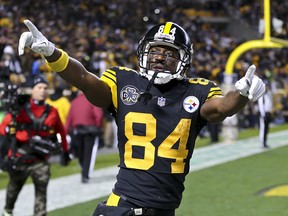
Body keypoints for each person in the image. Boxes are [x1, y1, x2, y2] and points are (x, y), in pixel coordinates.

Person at [18, 20, 265, 216]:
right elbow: (84, 79)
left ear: (183, 59)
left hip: (165, 209)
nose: (159, 57)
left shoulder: (197, 90)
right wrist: (51, 52)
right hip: (125, 206)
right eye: (154, 51)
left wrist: (242, 92)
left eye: (168, 53)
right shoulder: (124, 81)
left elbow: (222, 108)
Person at [0, 74, 70, 216]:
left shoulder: (52, 111)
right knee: (12, 192)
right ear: (32, 90)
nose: (42, 90)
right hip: (20, 157)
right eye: (39, 87)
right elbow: (3, 128)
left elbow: (61, 132)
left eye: (45, 88)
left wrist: (65, 151)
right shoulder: (20, 107)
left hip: (41, 160)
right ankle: (7, 211)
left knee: (41, 196)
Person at [65, 90, 104, 183]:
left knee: (80, 153)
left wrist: (65, 131)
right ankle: (85, 174)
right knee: (88, 153)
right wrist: (98, 126)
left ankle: (84, 170)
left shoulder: (74, 102)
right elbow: (98, 114)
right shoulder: (92, 100)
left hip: (77, 130)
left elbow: (69, 118)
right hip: (89, 130)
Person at [258, 82, 273, 148]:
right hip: (264, 114)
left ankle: (265, 142)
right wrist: (263, 114)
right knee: (263, 129)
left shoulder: (268, 94)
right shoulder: (261, 96)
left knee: (266, 129)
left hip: (268, 113)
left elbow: (269, 104)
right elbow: (261, 105)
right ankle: (262, 143)